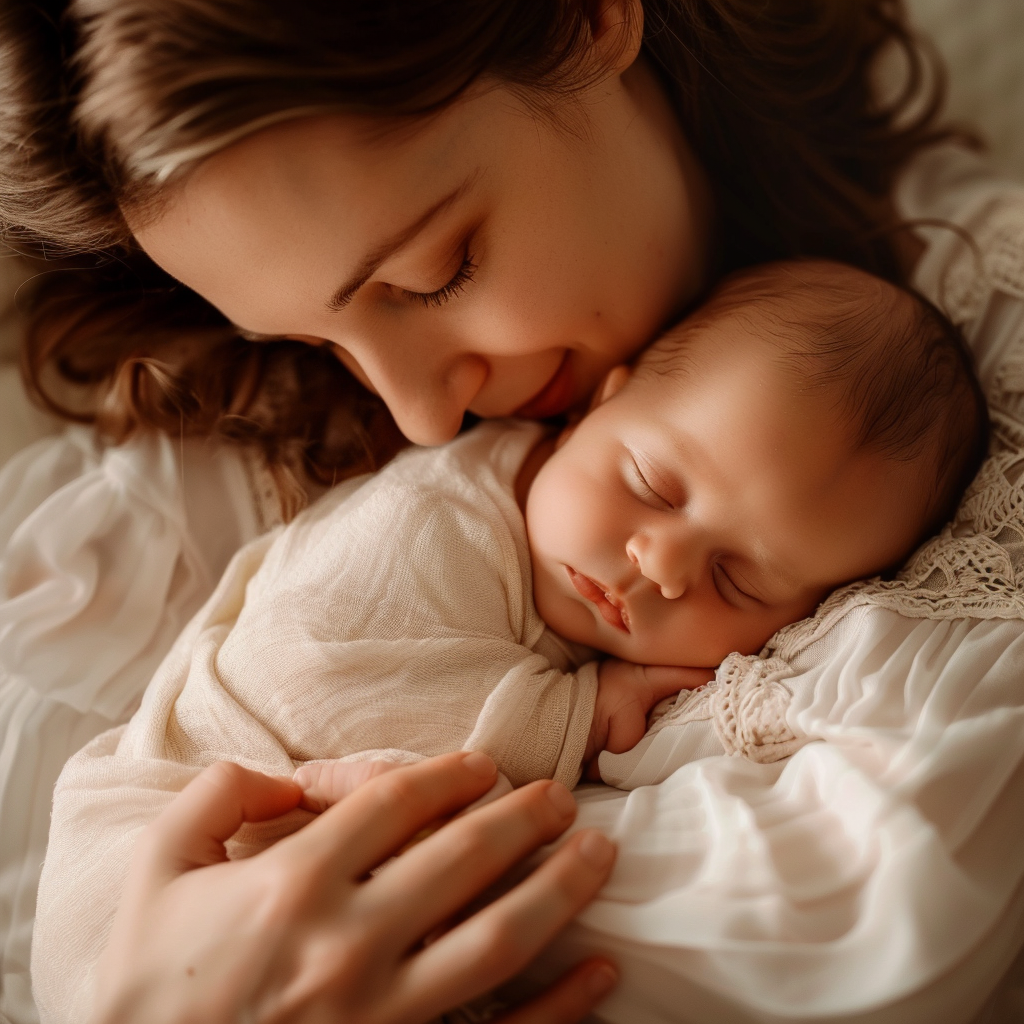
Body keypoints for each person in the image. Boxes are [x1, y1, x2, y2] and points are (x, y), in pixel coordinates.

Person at [0, 0, 976, 1021]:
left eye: (434, 273)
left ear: (588, 17)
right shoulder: (178, 504)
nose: (423, 419)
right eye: (316, 344)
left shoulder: (965, 350)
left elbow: (876, 927)